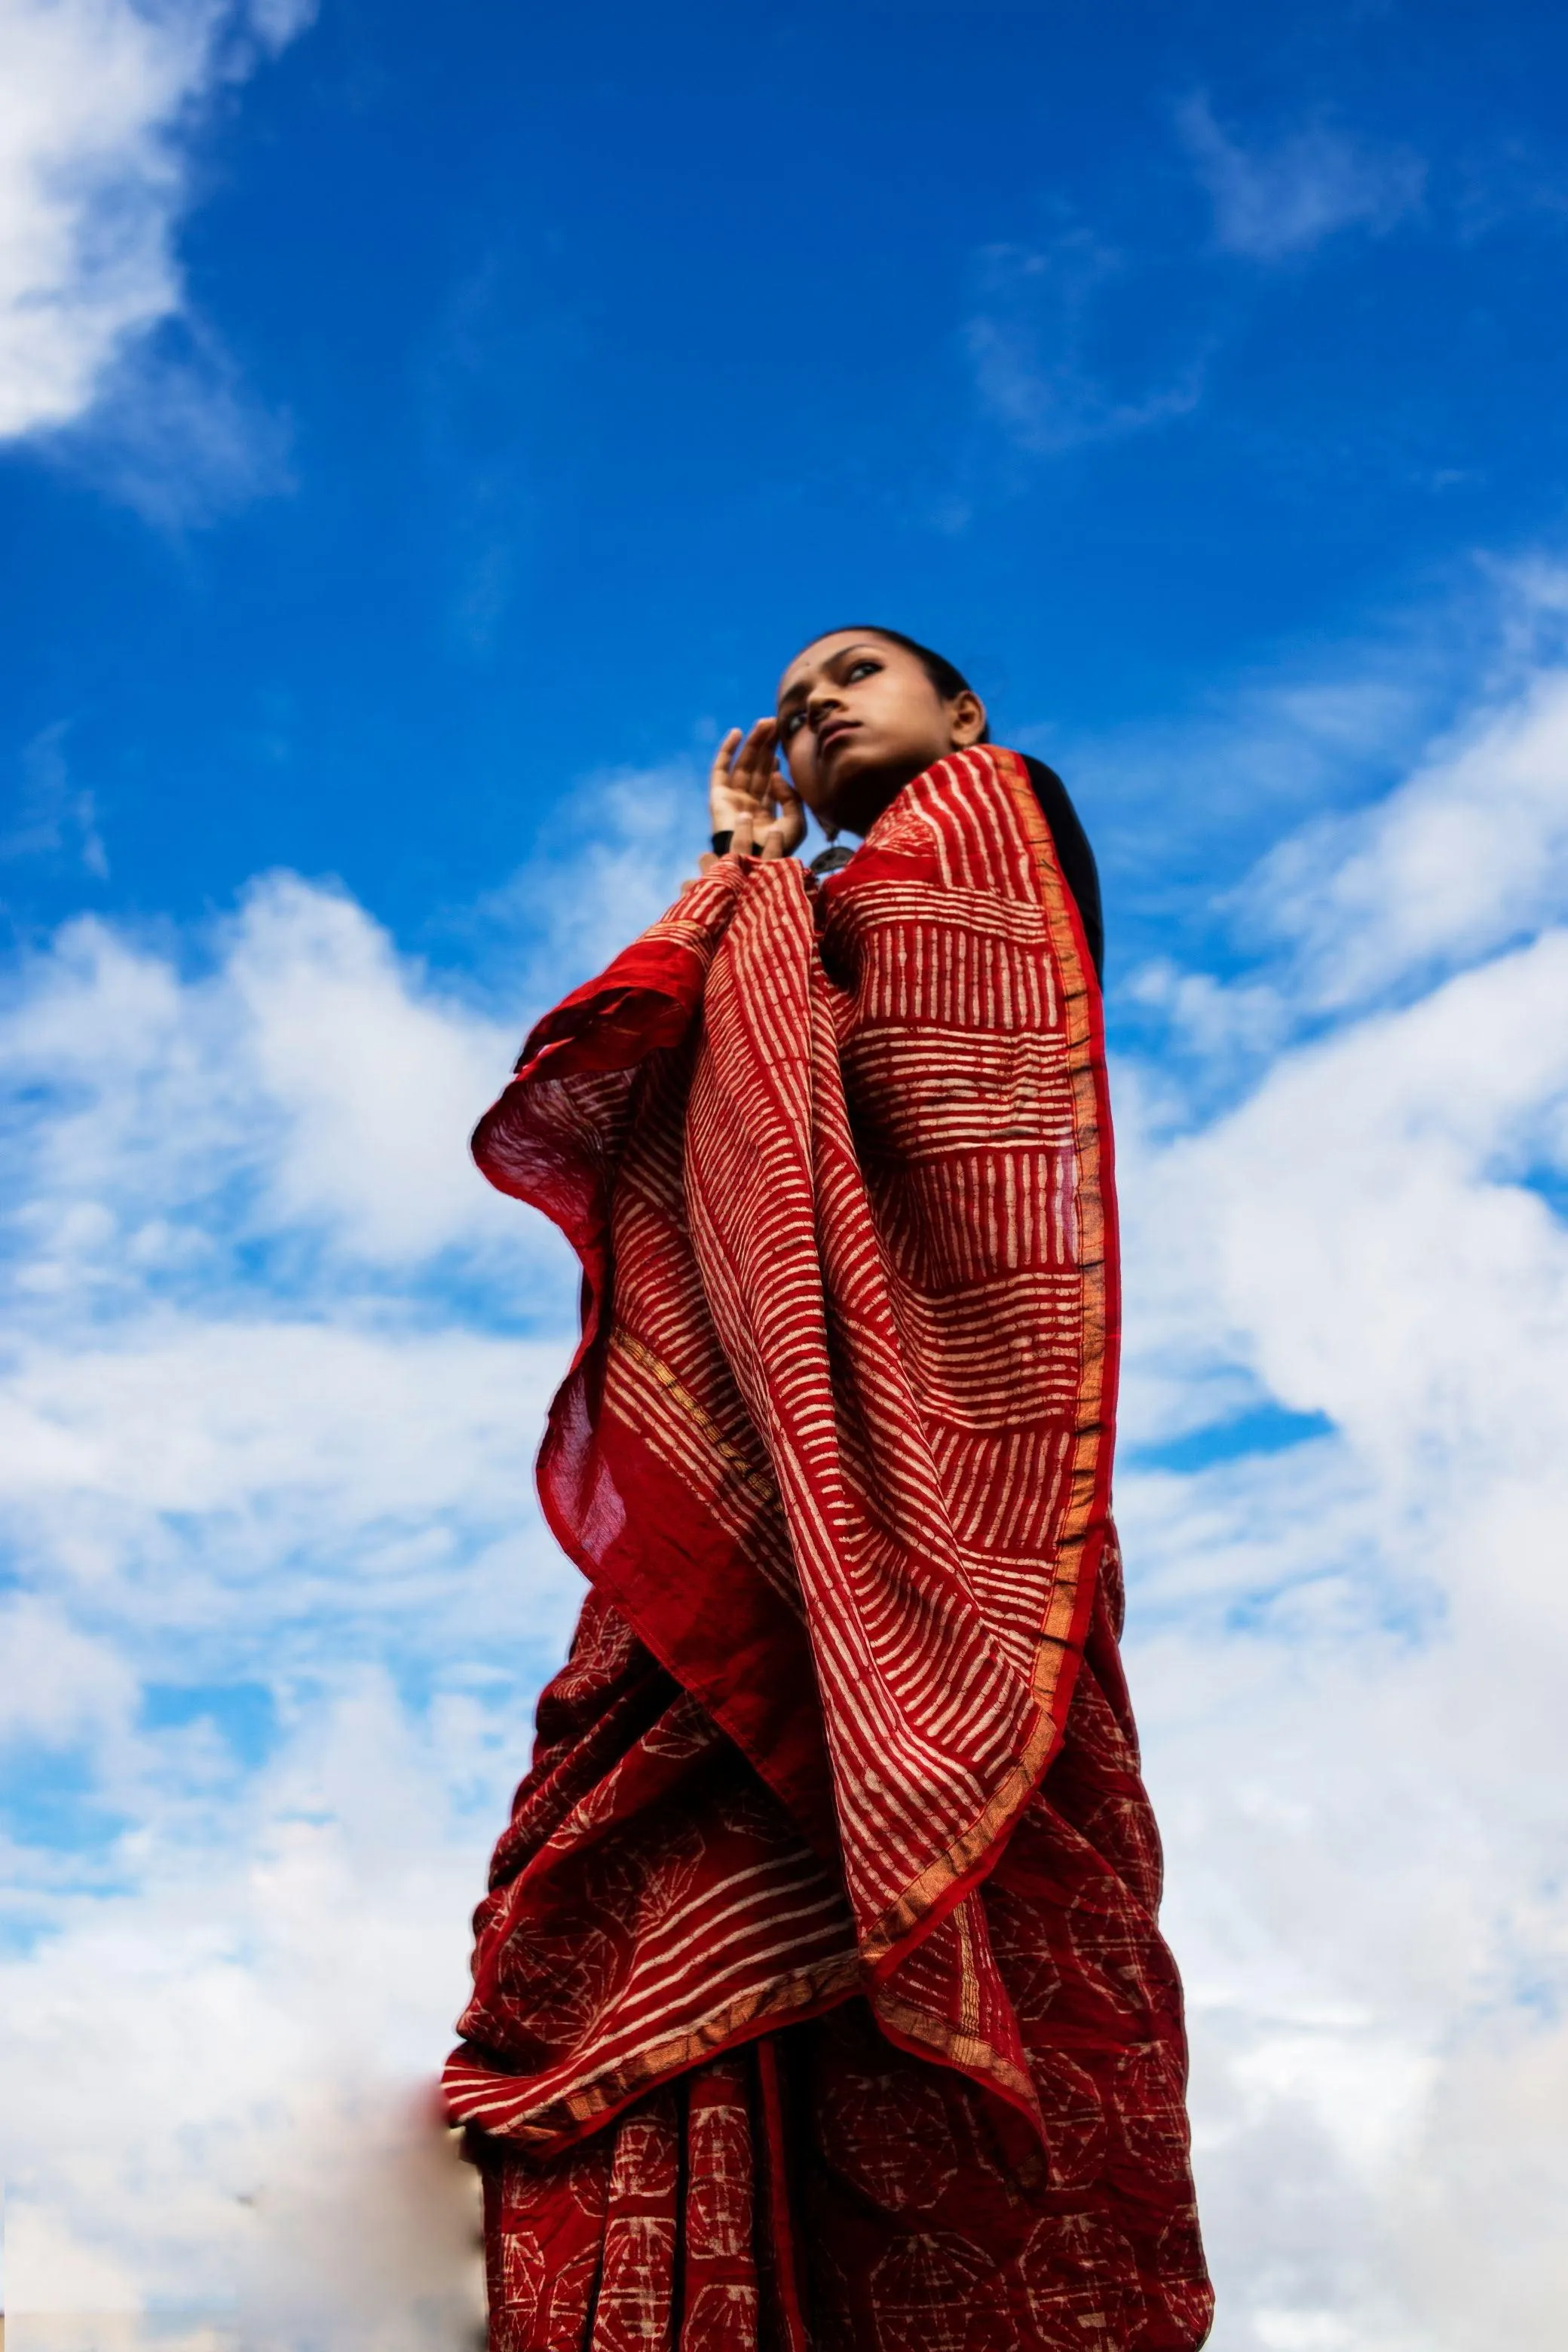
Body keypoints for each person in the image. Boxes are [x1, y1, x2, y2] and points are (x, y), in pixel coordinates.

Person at [445, 629, 1214, 2351]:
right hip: (787, 1483)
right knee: (693, 1883)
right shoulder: (822, 897)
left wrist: (753, 895)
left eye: (855, 673)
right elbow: (723, 1088)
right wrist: (747, 873)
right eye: (793, 700)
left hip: (945, 1506)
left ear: (964, 712)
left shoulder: (979, 821)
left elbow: (865, 1090)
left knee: (969, 1876)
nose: (811, 706)